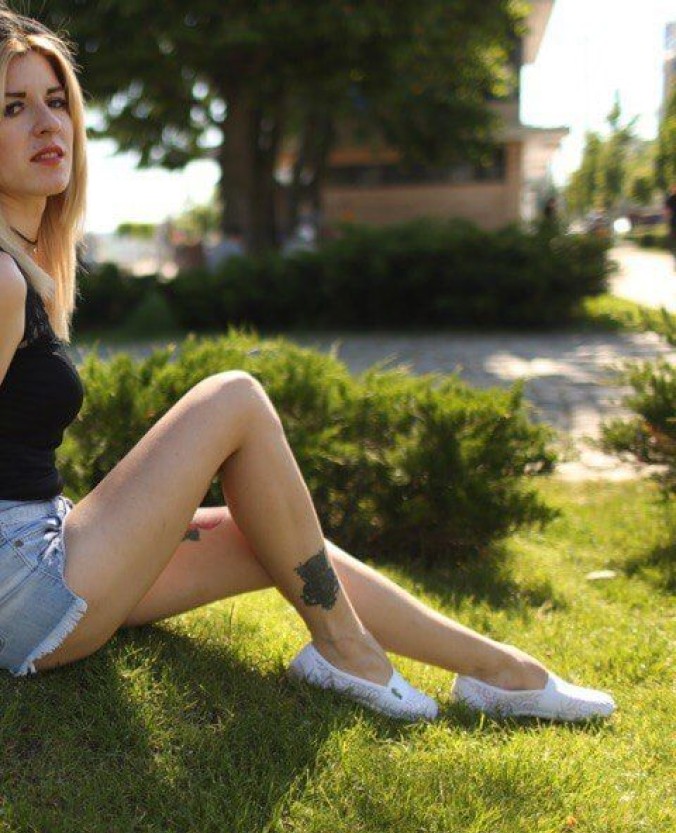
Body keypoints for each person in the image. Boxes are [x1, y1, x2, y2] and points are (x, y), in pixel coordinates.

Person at [0, 7, 616, 723]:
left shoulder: (25, 264)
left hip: (45, 550)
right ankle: (348, 654)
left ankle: (503, 672)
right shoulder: (3, 278)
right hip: (24, 587)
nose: (47, 124)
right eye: (13, 108)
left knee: (258, 533)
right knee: (233, 396)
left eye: (55, 101)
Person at [664, 183, 676, 266]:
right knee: (672, 240)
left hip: (673, 222)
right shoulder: (670, 199)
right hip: (673, 222)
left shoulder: (669, 199)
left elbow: (667, 212)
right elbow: (667, 211)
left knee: (672, 240)